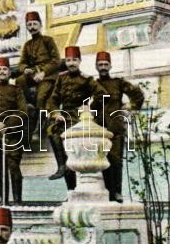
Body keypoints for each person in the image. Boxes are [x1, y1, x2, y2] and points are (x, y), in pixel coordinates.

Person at [46, 46, 105, 191]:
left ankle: (75, 182)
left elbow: (103, 95)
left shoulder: (86, 79)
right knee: (52, 129)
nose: (71, 63)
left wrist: (89, 107)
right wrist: (56, 113)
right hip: (64, 115)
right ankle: (62, 167)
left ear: (79, 61)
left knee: (74, 154)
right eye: (68, 60)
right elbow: (53, 99)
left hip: (79, 117)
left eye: (74, 60)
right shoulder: (61, 78)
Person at [90, 51, 144, 203]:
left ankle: (116, 192)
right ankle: (106, 193)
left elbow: (137, 93)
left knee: (115, 161)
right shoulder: (92, 84)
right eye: (100, 65)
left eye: (105, 64)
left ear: (110, 66)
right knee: (101, 161)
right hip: (98, 129)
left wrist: (131, 106)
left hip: (115, 128)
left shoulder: (118, 82)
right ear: (96, 67)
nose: (103, 67)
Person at [14, 11, 60, 143]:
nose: (32, 27)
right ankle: (28, 107)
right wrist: (25, 69)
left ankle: (40, 127)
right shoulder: (27, 45)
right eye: (29, 25)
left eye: (35, 24)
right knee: (19, 80)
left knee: (41, 97)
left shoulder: (48, 40)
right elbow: (21, 63)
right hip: (33, 75)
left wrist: (43, 72)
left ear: (40, 25)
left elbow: (56, 61)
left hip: (48, 76)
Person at [0, 57, 27, 204]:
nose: (2, 72)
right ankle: (3, 200)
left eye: (5, 69)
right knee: (0, 168)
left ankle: (17, 201)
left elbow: (23, 111)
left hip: (13, 135)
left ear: (9, 72)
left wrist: (7, 126)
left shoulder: (16, 90)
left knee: (13, 166)